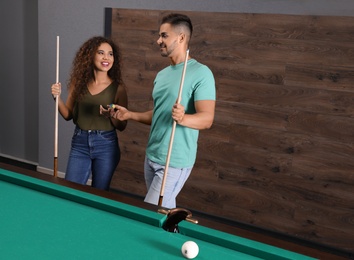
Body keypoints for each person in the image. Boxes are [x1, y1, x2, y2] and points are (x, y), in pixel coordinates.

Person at [110, 13, 216, 208]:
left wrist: (183, 118)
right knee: (163, 213)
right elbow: (160, 114)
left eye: (164, 36)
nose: (158, 40)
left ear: (181, 37)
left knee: (151, 212)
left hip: (174, 161)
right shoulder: (162, 75)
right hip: (152, 155)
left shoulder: (201, 73)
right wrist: (130, 115)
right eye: (159, 35)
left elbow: (207, 119)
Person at [51, 36, 127, 191]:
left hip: (106, 144)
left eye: (110, 54)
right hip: (80, 142)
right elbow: (67, 115)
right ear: (90, 55)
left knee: (99, 193)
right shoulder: (78, 83)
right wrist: (57, 98)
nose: (106, 57)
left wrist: (112, 116)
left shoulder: (118, 88)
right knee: (70, 190)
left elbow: (122, 126)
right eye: (101, 53)